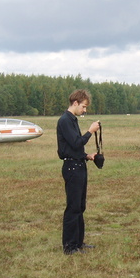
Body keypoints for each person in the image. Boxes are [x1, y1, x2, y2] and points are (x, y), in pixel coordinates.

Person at [56, 90, 101, 255]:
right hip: (71, 168)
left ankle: (78, 242)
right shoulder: (65, 121)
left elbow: (74, 147)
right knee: (73, 207)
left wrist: (87, 156)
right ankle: (69, 246)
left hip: (79, 165)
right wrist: (90, 131)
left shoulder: (72, 120)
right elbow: (75, 143)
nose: (84, 110)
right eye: (83, 106)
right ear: (75, 103)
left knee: (80, 206)